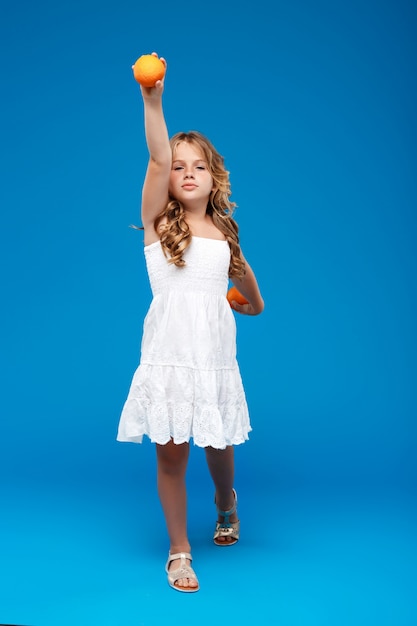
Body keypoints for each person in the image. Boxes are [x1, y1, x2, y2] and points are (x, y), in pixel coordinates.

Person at [117, 53, 264, 593]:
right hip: (170, 360)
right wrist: (152, 100)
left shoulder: (226, 237)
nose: (185, 172)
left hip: (214, 361)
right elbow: (156, 161)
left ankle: (227, 500)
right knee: (172, 455)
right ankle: (180, 550)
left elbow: (254, 300)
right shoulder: (159, 227)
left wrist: (240, 299)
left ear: (214, 175)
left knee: (218, 447)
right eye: (179, 166)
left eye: (197, 165)